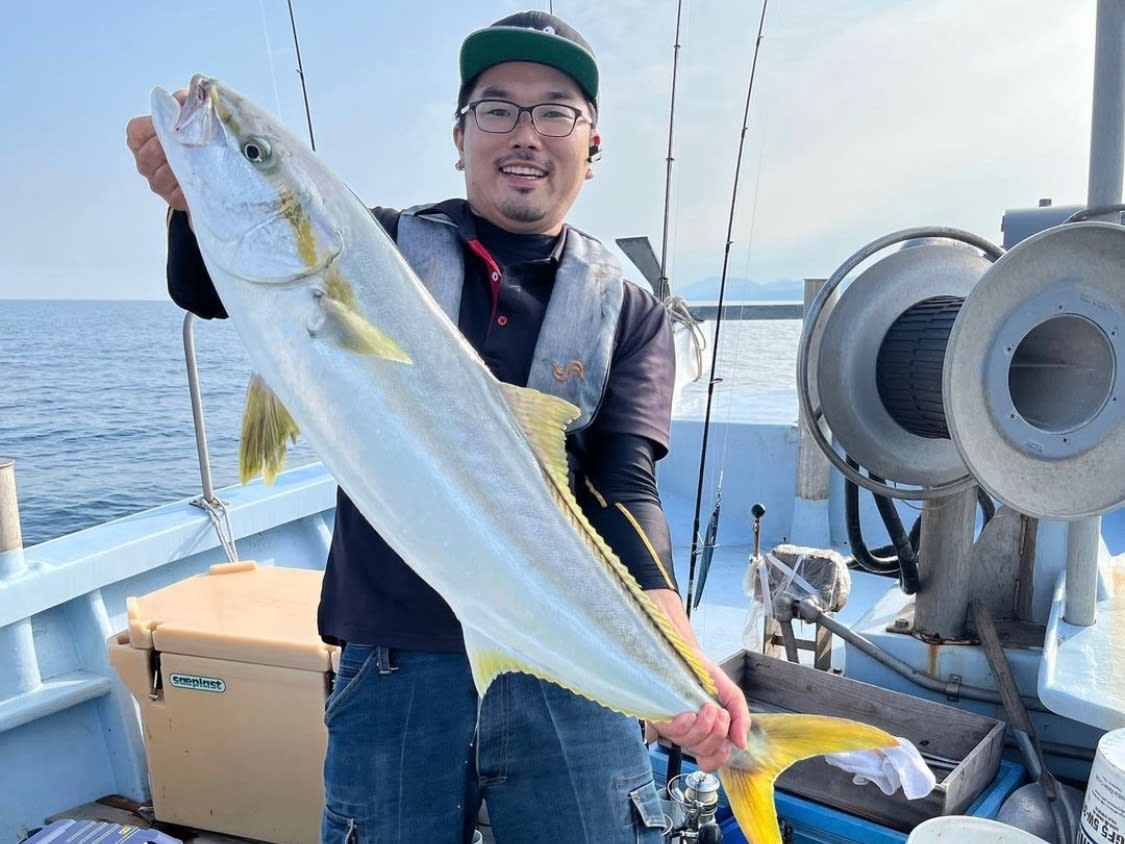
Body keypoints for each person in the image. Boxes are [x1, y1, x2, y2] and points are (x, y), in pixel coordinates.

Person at [126, 11, 749, 844]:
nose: (524, 132)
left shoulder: (626, 309)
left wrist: (673, 645)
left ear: (591, 146)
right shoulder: (372, 245)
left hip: (564, 662)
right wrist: (189, 198)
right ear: (459, 138)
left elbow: (623, 482)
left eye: (554, 110)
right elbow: (211, 287)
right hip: (392, 658)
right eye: (496, 108)